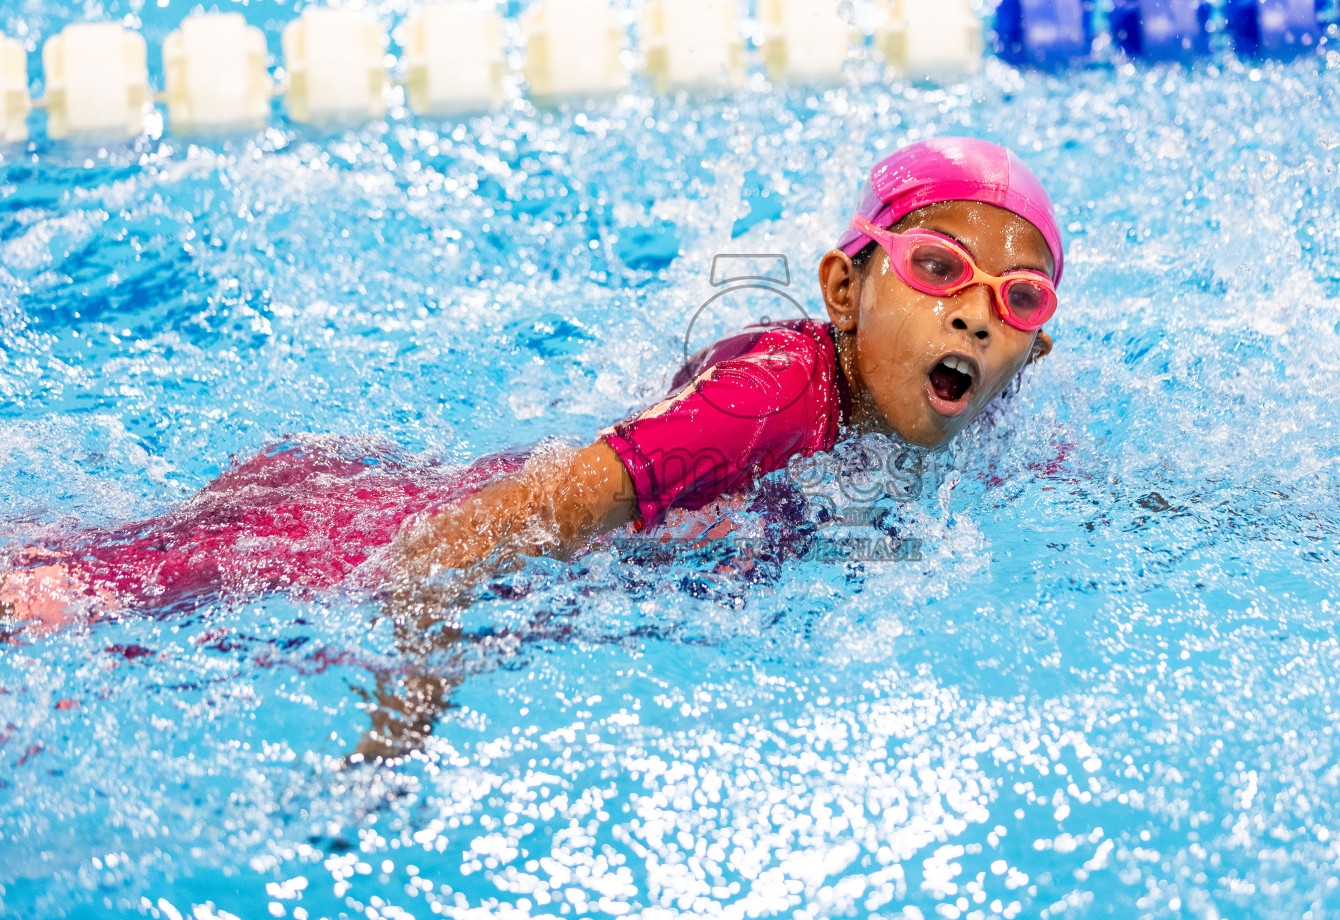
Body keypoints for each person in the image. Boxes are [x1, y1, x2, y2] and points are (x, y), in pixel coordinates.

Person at [1, 136, 1065, 753]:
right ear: (844, 289)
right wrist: (407, 706)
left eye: (1015, 300)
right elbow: (455, 543)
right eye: (936, 270)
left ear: (1035, 348)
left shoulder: (950, 418)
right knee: (52, 605)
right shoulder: (772, 400)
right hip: (340, 548)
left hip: (382, 505)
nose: (973, 315)